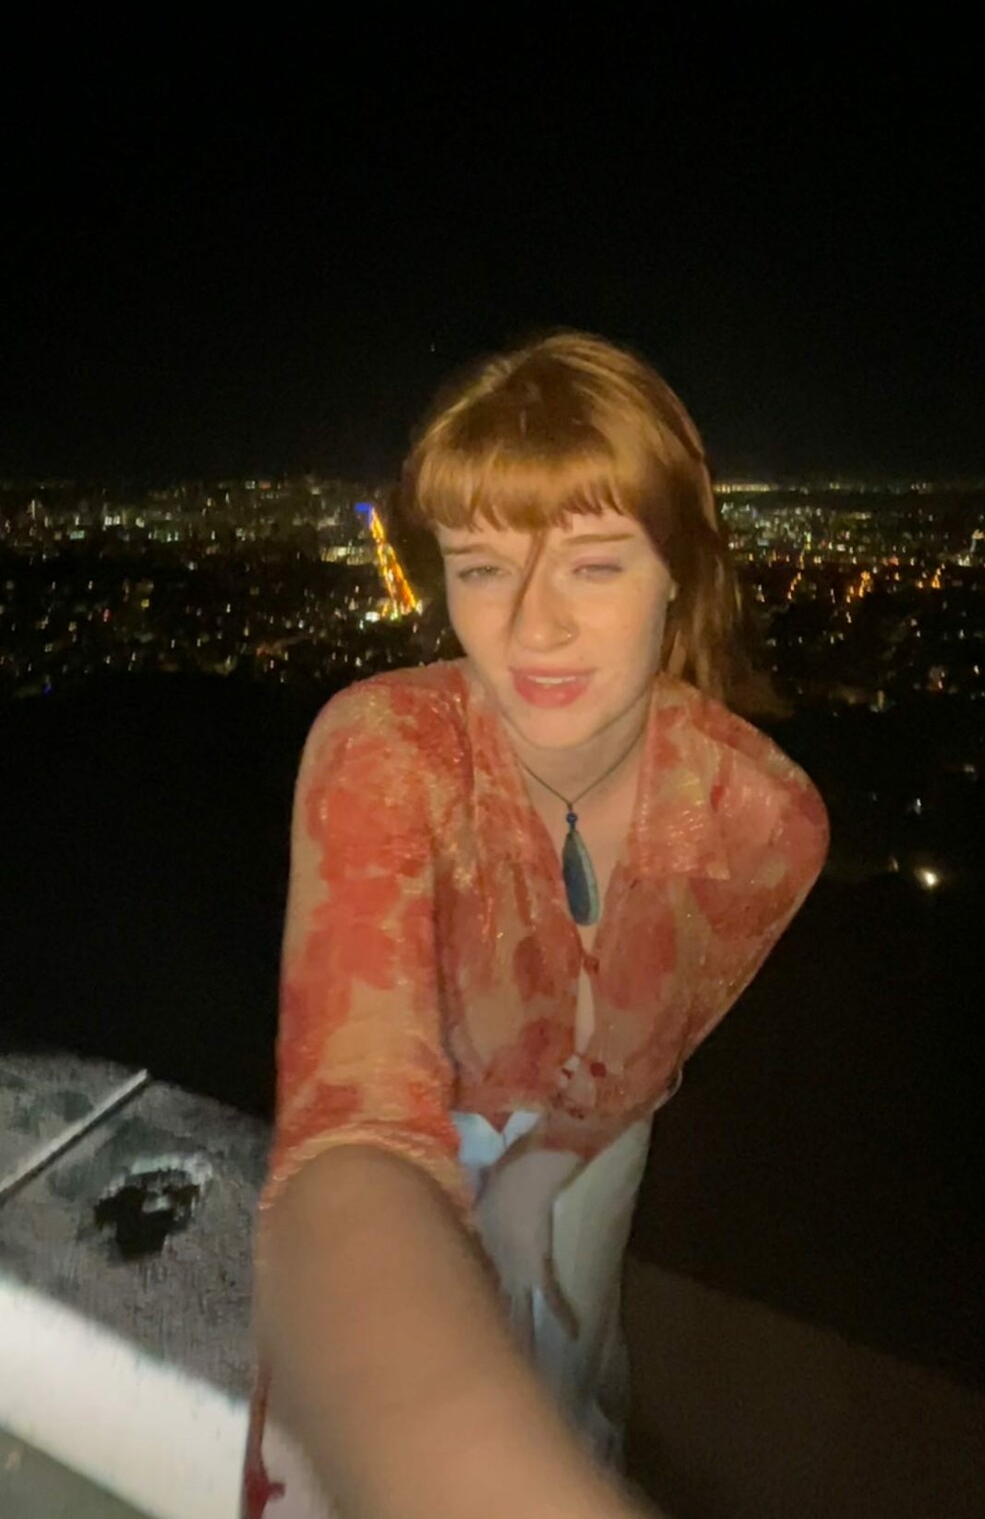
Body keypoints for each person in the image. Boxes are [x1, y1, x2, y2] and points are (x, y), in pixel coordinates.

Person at [245, 329, 831, 1519]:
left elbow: (651, 1036)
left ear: (680, 570)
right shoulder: (386, 748)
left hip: (598, 1141)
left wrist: (547, 1167)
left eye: (594, 566)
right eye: (481, 567)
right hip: (415, 1150)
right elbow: (354, 1118)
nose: (532, 626)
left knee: (571, 1368)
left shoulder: (762, 816)